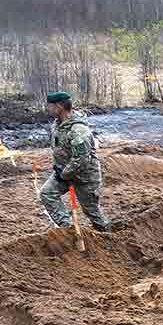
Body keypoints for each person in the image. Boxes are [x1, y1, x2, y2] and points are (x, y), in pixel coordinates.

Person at [39, 91, 111, 232]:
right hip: (64, 171)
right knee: (47, 193)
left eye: (50, 106)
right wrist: (60, 169)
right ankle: (70, 230)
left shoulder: (78, 130)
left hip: (85, 176)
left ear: (59, 106)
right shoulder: (57, 124)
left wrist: (63, 174)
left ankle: (108, 237)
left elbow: (81, 159)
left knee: (92, 212)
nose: (48, 109)